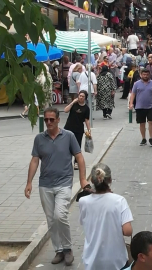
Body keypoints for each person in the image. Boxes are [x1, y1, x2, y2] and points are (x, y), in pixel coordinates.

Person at [24, 107, 91, 266]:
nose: (48, 122)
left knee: (60, 215)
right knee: (51, 220)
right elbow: (35, 160)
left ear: (58, 120)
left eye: (51, 120)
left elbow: (79, 157)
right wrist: (29, 182)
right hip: (45, 184)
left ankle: (67, 249)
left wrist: (82, 180)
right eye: (46, 120)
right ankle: (58, 250)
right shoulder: (39, 139)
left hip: (64, 182)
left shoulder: (68, 136)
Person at [79, 163, 133, 270]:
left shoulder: (83, 201)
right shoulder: (119, 201)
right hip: (116, 260)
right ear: (110, 180)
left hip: (92, 259)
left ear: (92, 180)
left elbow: (84, 222)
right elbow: (128, 231)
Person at [129, 69, 152, 147]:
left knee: (151, 122)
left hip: (151, 106)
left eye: (147, 74)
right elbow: (133, 94)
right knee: (142, 123)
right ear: (141, 75)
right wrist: (131, 104)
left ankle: (151, 138)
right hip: (139, 107)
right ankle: (143, 138)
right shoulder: (136, 84)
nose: (145, 76)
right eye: (144, 74)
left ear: (149, 75)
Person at [63, 90, 90, 170]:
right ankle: (66, 162)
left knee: (77, 146)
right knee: (66, 146)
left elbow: (87, 120)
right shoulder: (74, 104)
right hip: (68, 128)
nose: (81, 97)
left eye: (83, 96)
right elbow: (65, 110)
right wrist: (72, 102)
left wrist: (89, 130)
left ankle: (76, 162)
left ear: (85, 98)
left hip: (79, 130)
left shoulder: (86, 108)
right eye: (80, 96)